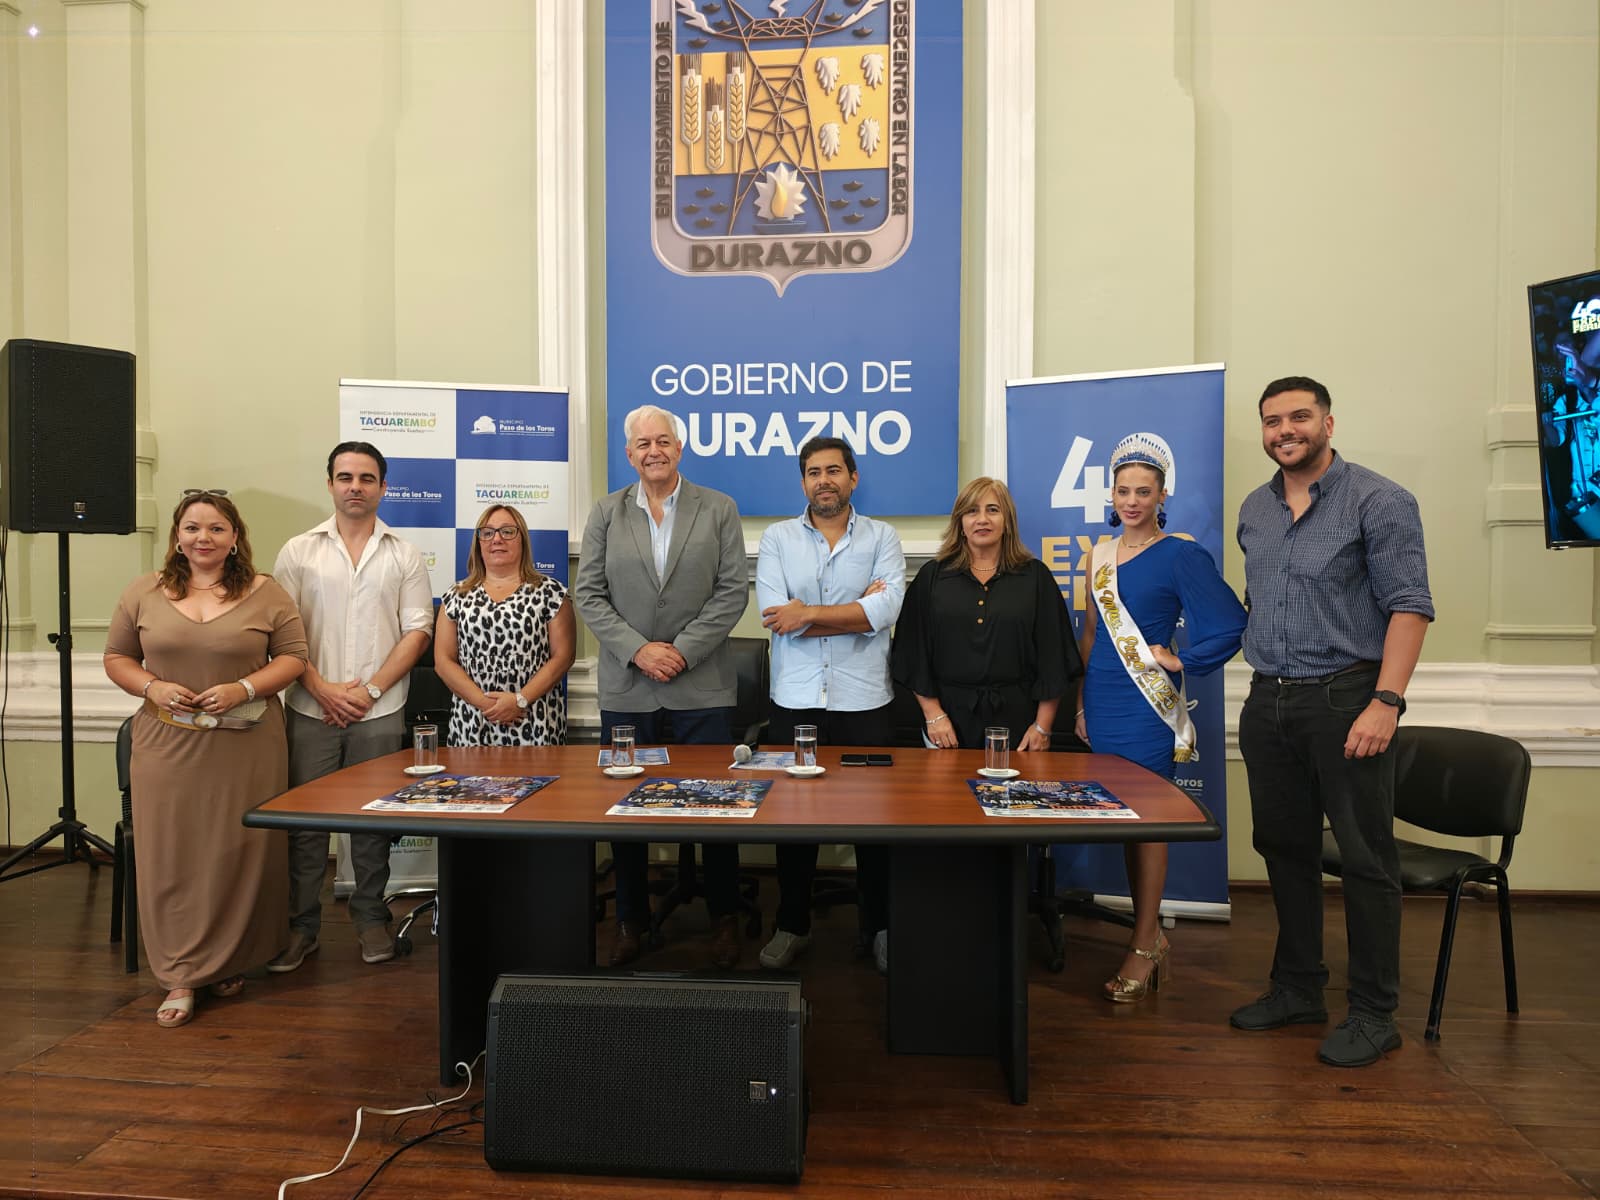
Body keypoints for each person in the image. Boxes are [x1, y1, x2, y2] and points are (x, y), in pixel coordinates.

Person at [1233, 375, 1433, 1068]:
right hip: (1270, 701)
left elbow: (1410, 606)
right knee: (1283, 849)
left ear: (1327, 422)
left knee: (1365, 859)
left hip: (1349, 699)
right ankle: (1297, 988)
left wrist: (1387, 701)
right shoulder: (1255, 510)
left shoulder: (1379, 500)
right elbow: (1264, 604)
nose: (1284, 430)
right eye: (1272, 421)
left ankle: (1376, 1014)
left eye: (1298, 417)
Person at [103, 491, 308, 1027]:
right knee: (173, 854)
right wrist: (151, 687)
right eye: (192, 528)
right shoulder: (143, 591)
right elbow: (116, 657)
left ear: (235, 537)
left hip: (246, 746)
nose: (203, 538)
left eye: (216, 529)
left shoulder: (268, 593)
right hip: (167, 748)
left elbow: (293, 658)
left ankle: (229, 961)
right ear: (177, 536)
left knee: (238, 853)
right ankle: (180, 973)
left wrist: (243, 687)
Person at [574, 404, 749, 968]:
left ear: (680, 448)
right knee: (625, 810)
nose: (653, 450)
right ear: (629, 454)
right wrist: (639, 650)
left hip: (703, 689)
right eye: (642, 443)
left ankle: (724, 918)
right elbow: (589, 595)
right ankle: (631, 919)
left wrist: (680, 651)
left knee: (716, 809)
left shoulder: (719, 508)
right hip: (628, 688)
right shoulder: (606, 513)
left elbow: (731, 593)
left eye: (663, 441)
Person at [1073, 434, 1245, 1002]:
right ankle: (1150, 936)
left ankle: (1146, 943)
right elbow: (1094, 635)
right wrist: (1079, 702)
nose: (1131, 500)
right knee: (1124, 817)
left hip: (1148, 706)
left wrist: (1180, 658)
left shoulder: (1182, 553)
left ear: (1161, 493)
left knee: (1147, 819)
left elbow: (1226, 623)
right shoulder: (1096, 554)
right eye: (1122, 490)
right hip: (1101, 699)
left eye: (1142, 491)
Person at [269, 442, 433, 970]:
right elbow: (283, 632)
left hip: (379, 711)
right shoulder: (298, 551)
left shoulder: (404, 554)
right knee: (306, 826)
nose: (355, 486)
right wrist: (321, 688)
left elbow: (418, 632)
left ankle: (370, 920)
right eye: (345, 477)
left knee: (373, 824)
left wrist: (370, 692)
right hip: (310, 706)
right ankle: (302, 927)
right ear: (331, 484)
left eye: (366, 478)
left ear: (383, 487)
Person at [754, 436, 905, 971]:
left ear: (853, 478)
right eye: (814, 472)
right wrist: (851, 610)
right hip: (795, 701)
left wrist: (810, 613)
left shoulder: (883, 537)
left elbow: (883, 611)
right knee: (794, 823)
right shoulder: (775, 539)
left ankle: (880, 927)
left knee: (874, 823)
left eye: (834, 471)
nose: (824, 480)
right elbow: (776, 616)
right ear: (803, 482)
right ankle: (792, 925)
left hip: (864, 700)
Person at [892, 476, 1082, 754]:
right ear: (960, 523)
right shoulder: (932, 577)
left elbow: (1054, 658)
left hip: (1020, 726)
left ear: (1007, 521)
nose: (982, 519)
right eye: (972, 511)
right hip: (946, 725)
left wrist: (1042, 727)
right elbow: (912, 652)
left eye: (993, 510)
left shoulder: (1035, 577)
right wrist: (933, 716)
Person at [434, 504, 575, 746]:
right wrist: (485, 703)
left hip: (533, 718)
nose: (497, 539)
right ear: (478, 542)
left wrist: (519, 700)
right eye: (487, 533)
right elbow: (443, 661)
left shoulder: (550, 593)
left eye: (507, 531)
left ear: (523, 540)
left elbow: (563, 657)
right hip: (473, 720)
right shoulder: (456, 595)